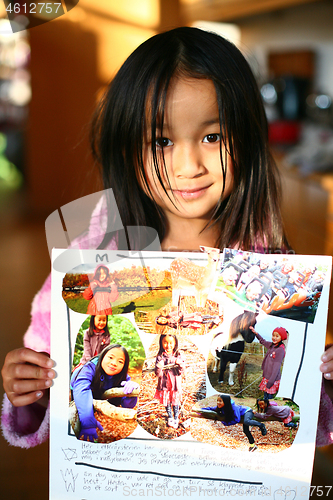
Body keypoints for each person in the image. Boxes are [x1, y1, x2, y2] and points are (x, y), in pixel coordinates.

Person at [1, 27, 332, 448]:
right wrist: (28, 391)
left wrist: (323, 385)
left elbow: (300, 415)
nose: (188, 164)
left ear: (247, 137)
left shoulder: (271, 268)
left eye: (212, 137)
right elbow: (53, 382)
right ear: (126, 147)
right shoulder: (90, 261)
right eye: (161, 140)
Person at [71, 344, 139, 442]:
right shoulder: (89, 368)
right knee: (80, 408)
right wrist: (88, 422)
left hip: (100, 391)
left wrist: (130, 395)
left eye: (120, 361)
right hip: (76, 387)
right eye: (110, 357)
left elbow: (127, 406)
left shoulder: (123, 377)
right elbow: (82, 391)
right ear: (102, 357)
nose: (114, 363)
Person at [201, 394, 267, 452]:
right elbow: (210, 408)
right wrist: (200, 409)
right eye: (217, 400)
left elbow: (237, 419)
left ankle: (261, 425)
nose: (218, 402)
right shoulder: (222, 407)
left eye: (220, 401)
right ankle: (253, 446)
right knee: (246, 430)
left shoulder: (233, 408)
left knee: (246, 421)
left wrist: (226, 423)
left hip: (247, 411)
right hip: (242, 415)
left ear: (226, 402)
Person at [154, 334, 185, 429]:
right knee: (167, 401)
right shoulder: (160, 356)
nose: (168, 345)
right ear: (161, 343)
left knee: (175, 401)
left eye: (171, 342)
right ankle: (170, 417)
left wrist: (179, 364)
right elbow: (158, 374)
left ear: (175, 343)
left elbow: (181, 372)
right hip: (164, 385)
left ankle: (176, 417)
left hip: (175, 385)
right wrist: (159, 366)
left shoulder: (178, 355)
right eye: (165, 342)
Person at [250, 326, 288, 399]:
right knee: (265, 397)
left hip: (272, 379)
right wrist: (256, 333)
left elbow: (276, 368)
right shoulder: (272, 345)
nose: (274, 337)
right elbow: (263, 341)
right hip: (267, 377)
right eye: (273, 335)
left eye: (277, 336)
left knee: (269, 399)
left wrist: (270, 382)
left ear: (282, 337)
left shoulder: (280, 350)